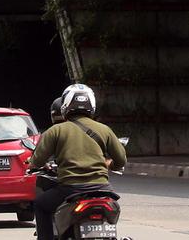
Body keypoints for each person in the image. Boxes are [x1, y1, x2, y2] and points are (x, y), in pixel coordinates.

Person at [28, 84, 127, 240]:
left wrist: (32, 163)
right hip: (103, 189)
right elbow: (121, 160)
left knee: (40, 204)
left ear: (65, 105)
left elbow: (37, 161)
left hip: (71, 189)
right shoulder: (104, 130)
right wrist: (110, 164)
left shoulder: (55, 130)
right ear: (92, 105)